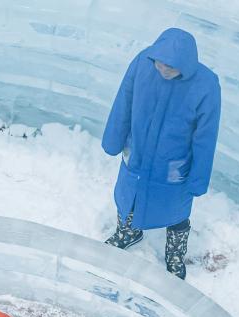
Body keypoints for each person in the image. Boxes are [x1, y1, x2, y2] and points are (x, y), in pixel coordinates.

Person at [101, 27, 222, 279]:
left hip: (174, 162)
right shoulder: (143, 62)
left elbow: (206, 135)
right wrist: (113, 139)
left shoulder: (206, 85)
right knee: (128, 197)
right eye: (160, 63)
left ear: (186, 65)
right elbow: (124, 100)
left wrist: (198, 178)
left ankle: (175, 251)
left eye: (172, 66)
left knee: (176, 209)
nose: (164, 69)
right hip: (137, 152)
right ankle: (129, 231)